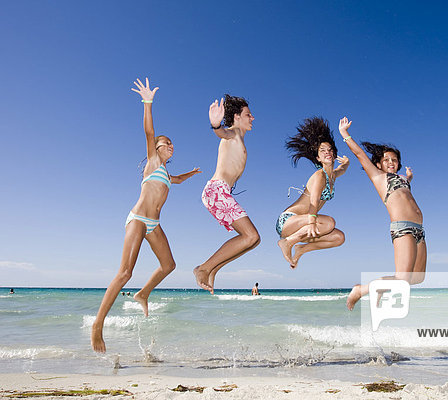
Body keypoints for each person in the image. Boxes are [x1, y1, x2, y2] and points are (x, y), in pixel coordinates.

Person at [91, 78, 201, 353]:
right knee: (125, 273)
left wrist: (191, 174)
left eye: (172, 144)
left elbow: (175, 180)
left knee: (169, 266)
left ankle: (143, 293)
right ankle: (97, 326)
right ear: (157, 148)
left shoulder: (165, 171)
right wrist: (148, 102)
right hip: (139, 219)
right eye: (167, 143)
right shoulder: (152, 161)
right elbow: (149, 132)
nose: (170, 146)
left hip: (154, 225)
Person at [338, 117, 426, 311]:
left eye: (394, 160)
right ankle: (360, 290)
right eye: (386, 160)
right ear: (378, 165)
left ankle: (381, 288)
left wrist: (409, 178)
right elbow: (360, 154)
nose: (391, 162)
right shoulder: (379, 177)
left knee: (417, 278)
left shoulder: (403, 180)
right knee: (402, 278)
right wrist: (345, 134)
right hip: (403, 228)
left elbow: (405, 195)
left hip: (419, 229)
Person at [193, 95, 260, 293]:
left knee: (254, 240)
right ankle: (203, 268)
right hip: (217, 191)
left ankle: (214, 269)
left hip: (221, 193)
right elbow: (221, 132)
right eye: (248, 114)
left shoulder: (240, 139)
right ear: (237, 117)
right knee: (250, 235)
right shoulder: (233, 133)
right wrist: (215, 124)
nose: (252, 118)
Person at [276, 117, 348, 268]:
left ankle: (301, 248)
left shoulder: (332, 175)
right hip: (289, 221)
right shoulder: (319, 176)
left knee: (338, 237)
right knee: (329, 222)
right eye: (322, 151)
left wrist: (346, 163)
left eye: (330, 150)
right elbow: (314, 201)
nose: (327, 152)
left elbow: (341, 169)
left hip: (304, 223)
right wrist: (311, 222)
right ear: (318, 158)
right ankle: (287, 242)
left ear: (334, 154)